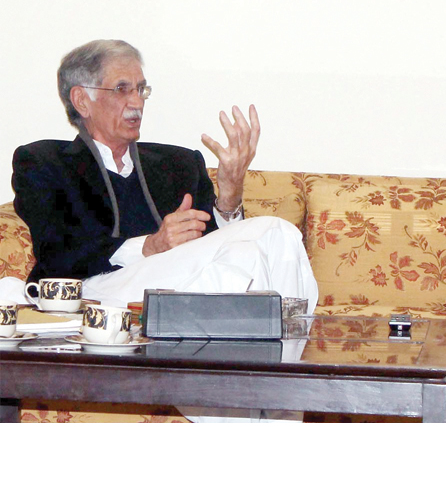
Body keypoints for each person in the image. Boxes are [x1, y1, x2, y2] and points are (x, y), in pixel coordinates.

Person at [7, 39, 318, 422]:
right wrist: (149, 247)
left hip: (183, 294)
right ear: (82, 100)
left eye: (141, 89)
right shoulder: (44, 161)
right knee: (268, 237)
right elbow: (56, 250)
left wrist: (230, 197)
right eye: (122, 89)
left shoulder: (178, 163)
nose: (136, 102)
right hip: (99, 293)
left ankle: (265, 408)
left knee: (266, 244)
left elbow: (214, 247)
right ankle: (282, 400)